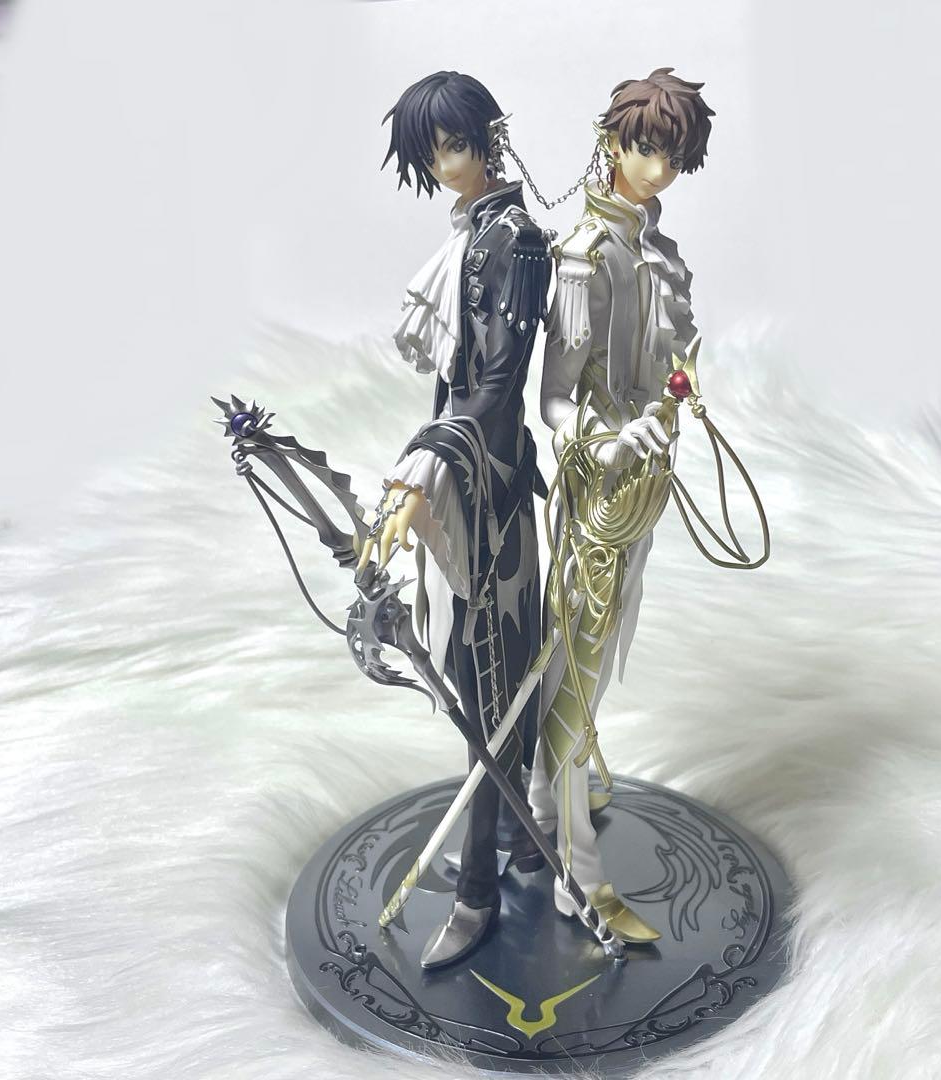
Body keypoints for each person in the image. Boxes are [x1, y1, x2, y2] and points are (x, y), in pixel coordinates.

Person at [358, 70, 550, 970]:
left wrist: (425, 464)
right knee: (471, 682)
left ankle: (481, 890)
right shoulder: (469, 235)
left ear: (487, 137)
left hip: (492, 484)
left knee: (491, 694)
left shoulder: (518, 242)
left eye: (454, 145)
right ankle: (516, 839)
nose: (443, 164)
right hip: (458, 473)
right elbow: (453, 379)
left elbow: (500, 385)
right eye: (430, 152)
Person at [528, 67, 714, 943]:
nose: (660, 168)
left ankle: (547, 796)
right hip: (594, 495)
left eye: (673, 156)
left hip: (647, 489)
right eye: (648, 148)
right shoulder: (583, 257)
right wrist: (602, 442)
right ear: (614, 142)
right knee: (577, 664)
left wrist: (679, 387)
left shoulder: (658, 253)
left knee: (599, 660)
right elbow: (553, 399)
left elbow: (670, 360)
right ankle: (576, 871)